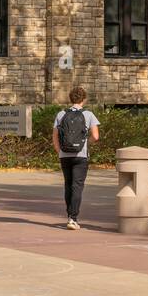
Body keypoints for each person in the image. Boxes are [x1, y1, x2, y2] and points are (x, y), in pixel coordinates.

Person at [52, 86, 99, 230]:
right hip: (81, 155)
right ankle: (73, 218)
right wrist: (85, 143)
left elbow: (55, 137)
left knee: (68, 185)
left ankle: (69, 216)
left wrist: (60, 151)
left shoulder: (61, 114)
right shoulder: (88, 114)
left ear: (70, 99)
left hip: (65, 155)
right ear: (84, 99)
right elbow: (96, 137)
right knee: (77, 186)